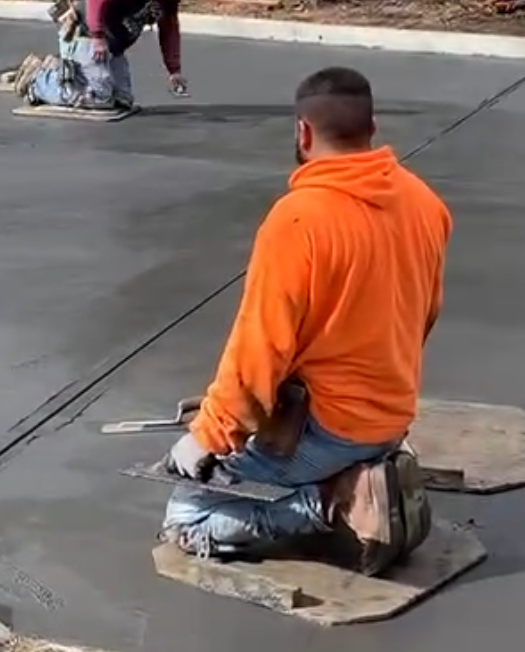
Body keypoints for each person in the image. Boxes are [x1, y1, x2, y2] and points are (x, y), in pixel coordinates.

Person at [162, 67, 452, 569]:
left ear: (302, 132)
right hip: (393, 417)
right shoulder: (425, 204)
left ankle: (333, 505)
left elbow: (258, 352)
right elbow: (424, 315)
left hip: (332, 430)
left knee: (188, 516)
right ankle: (360, 477)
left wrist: (208, 436)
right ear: (372, 126)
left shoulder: (298, 220)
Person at [22, 0, 201, 110]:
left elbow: (169, 29)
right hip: (85, 33)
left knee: (123, 100)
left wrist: (174, 70)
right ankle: (38, 81)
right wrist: (98, 36)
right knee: (100, 97)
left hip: (112, 46)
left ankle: (67, 73)